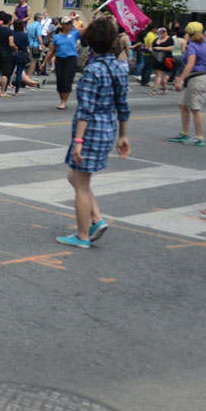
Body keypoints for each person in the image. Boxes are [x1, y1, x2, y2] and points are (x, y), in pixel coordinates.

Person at [56, 18, 131, 248]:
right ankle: (97, 219)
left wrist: (78, 141)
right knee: (76, 177)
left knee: (80, 184)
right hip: (108, 128)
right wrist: (123, 135)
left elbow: (85, 110)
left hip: (90, 131)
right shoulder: (120, 67)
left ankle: (83, 235)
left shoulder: (92, 70)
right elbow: (123, 105)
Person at [168, 21, 206, 147]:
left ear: (188, 32)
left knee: (195, 108)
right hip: (198, 77)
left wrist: (181, 79)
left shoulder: (193, 46)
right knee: (183, 105)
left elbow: (190, 64)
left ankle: (199, 137)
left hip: (198, 78)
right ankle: (185, 133)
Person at [47, 17, 82, 109]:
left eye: (70, 23)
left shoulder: (74, 33)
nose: (68, 25)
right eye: (66, 23)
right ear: (62, 25)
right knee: (60, 81)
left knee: (67, 80)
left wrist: (94, 16)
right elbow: (51, 51)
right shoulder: (57, 36)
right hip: (59, 59)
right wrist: (44, 63)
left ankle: (64, 102)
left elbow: (87, 29)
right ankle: (62, 100)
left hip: (71, 58)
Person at [0, 11, 16, 97]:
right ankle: (2, 92)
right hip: (7, 53)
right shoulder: (10, 31)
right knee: (5, 73)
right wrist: (16, 47)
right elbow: (11, 44)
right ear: (9, 21)